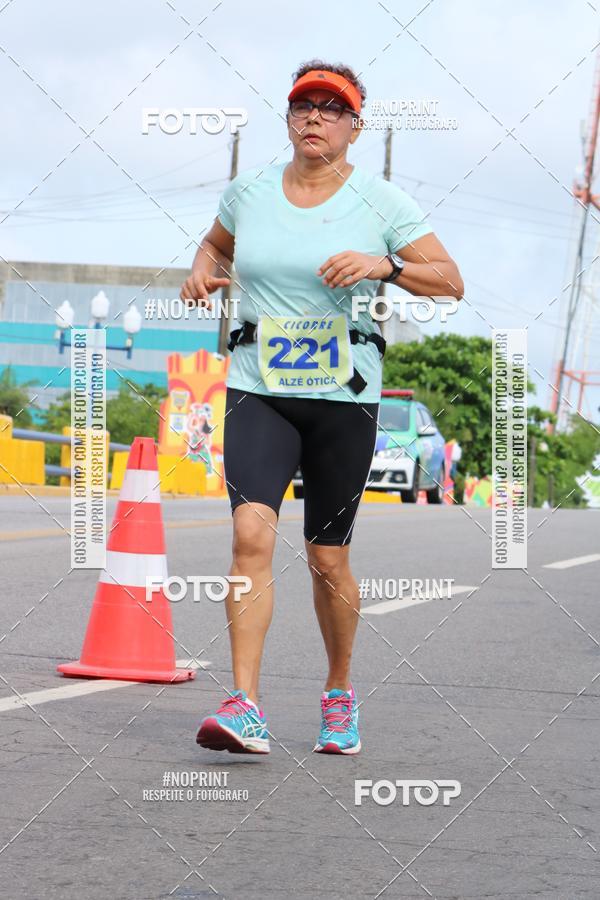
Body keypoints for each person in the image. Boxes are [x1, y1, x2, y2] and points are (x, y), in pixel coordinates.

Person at [180, 60, 463, 755]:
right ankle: (245, 704)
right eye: (303, 105)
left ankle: (339, 693)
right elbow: (216, 242)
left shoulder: (382, 204)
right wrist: (200, 269)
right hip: (259, 387)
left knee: (327, 556)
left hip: (344, 398)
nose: (314, 117)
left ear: (355, 127)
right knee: (250, 537)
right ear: (288, 119)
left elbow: (451, 282)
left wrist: (385, 266)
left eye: (331, 109)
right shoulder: (248, 192)